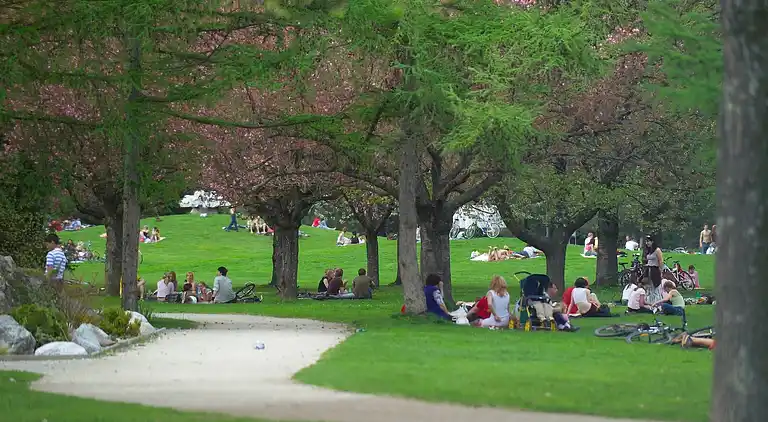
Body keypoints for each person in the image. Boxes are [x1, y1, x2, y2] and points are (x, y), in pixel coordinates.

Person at [643, 235, 664, 303]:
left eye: (648, 241)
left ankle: (657, 302)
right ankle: (649, 302)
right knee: (649, 287)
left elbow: (660, 261)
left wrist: (660, 271)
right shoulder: (649, 250)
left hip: (655, 269)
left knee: (656, 287)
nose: (647, 243)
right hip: (648, 269)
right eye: (646, 241)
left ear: (652, 242)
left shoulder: (657, 250)